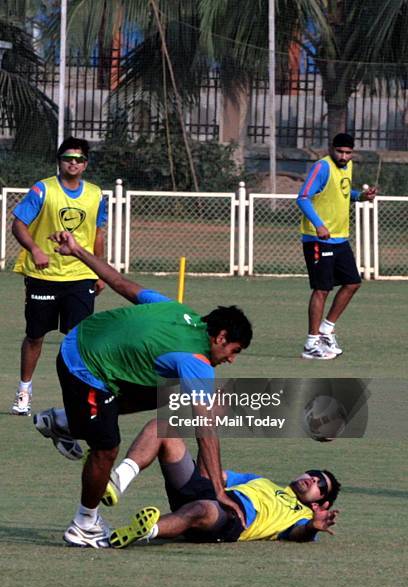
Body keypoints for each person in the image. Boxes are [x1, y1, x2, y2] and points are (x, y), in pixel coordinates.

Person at [34, 230, 253, 548]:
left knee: (167, 393)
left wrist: (78, 251)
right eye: (234, 350)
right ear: (220, 337)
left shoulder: (182, 313)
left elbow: (122, 285)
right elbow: (206, 429)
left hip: (86, 342)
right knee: (106, 448)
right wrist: (218, 491)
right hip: (84, 364)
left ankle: (64, 421)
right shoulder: (197, 361)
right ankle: (84, 524)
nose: (231, 360)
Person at [103, 419, 340, 549]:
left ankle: (146, 530)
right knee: (162, 427)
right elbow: (212, 473)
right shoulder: (261, 481)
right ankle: (117, 482)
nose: (312, 479)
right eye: (313, 473)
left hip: (229, 520)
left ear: (320, 504)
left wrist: (311, 527)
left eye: (320, 484)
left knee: (202, 509)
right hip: (211, 494)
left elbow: (298, 534)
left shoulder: (300, 516)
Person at [11, 137, 106, 415]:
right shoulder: (43, 189)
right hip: (44, 275)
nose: (73, 163)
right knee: (35, 336)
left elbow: (97, 234)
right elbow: (18, 224)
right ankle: (24, 391)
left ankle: (78, 398)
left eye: (78, 159)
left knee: (77, 340)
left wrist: (100, 270)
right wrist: (35, 249)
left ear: (86, 164)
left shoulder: (96, 194)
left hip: (80, 277)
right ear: (59, 161)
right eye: (68, 158)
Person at [296, 133, 377, 360]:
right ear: (332, 149)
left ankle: (325, 330)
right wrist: (319, 225)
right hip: (318, 239)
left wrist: (361, 196)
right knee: (322, 289)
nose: (344, 156)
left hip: (340, 238)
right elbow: (303, 197)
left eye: (348, 152)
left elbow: (341, 194)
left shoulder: (347, 166)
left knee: (352, 283)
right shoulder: (322, 167)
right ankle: (311, 344)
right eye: (340, 151)